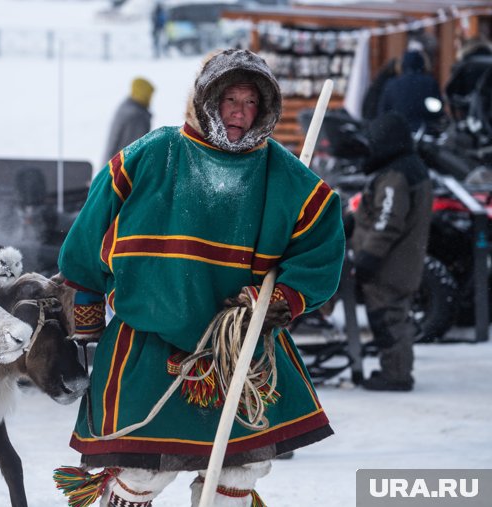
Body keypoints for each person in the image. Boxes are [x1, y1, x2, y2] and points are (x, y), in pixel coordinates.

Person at [55, 49, 345, 506]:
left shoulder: (285, 175)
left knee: (240, 465)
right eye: (229, 98)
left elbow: (322, 246)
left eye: (252, 102)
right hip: (149, 343)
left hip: (239, 349)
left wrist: (284, 296)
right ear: (206, 100)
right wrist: (86, 312)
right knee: (144, 465)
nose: (239, 112)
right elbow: (90, 232)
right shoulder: (153, 154)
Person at [351, 111, 433, 392]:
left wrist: (366, 259)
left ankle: (396, 374)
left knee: (388, 320)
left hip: (390, 266)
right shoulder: (408, 167)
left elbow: (387, 222)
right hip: (402, 262)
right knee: (393, 317)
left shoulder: (396, 175)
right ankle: (397, 369)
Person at [377, 49, 445, 133]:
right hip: (424, 132)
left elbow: (383, 112)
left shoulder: (391, 84)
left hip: (398, 133)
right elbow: (438, 110)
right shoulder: (429, 82)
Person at [102, 77, 154, 165]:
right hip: (121, 171)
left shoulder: (127, 108)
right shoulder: (136, 116)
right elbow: (134, 150)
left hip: (112, 167)